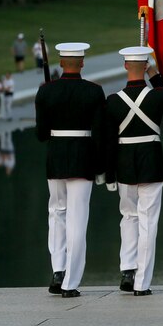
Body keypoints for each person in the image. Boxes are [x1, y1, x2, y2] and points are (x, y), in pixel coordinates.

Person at [34, 42, 105, 298]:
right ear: (82, 63)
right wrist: (101, 167)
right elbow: (99, 134)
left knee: (57, 214)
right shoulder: (94, 92)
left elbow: (41, 135)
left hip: (56, 159)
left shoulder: (46, 92)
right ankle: (70, 282)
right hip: (83, 158)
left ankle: (58, 270)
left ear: (61, 63)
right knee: (77, 219)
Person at [100, 46, 163, 297]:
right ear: (145, 66)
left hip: (125, 164)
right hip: (150, 161)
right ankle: (142, 281)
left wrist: (109, 174)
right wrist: (153, 72)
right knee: (148, 222)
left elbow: (108, 141)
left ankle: (127, 270)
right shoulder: (158, 96)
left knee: (128, 217)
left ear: (125, 66)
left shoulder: (113, 100)